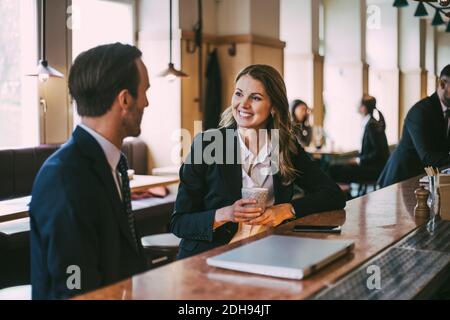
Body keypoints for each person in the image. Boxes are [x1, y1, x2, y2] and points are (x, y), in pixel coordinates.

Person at [170, 64, 346, 259]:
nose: (243, 104)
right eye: (238, 94)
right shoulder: (208, 144)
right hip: (210, 259)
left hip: (267, 254)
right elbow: (179, 222)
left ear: (273, 107)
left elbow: (333, 195)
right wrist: (226, 214)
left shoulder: (285, 147)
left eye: (255, 98)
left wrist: (287, 209)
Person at [29, 43, 150, 299]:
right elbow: (74, 287)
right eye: (144, 92)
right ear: (125, 100)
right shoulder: (64, 177)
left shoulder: (112, 162)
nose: (147, 103)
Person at [378, 65, 450, 188]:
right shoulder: (420, 111)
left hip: (422, 179)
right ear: (442, 84)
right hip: (400, 179)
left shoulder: (446, 111)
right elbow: (427, 156)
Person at [328, 95, 390, 185]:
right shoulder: (371, 123)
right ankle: (346, 195)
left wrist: (359, 160)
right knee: (336, 168)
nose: (357, 107)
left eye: (359, 105)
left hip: (373, 170)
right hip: (372, 167)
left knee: (333, 170)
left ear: (364, 108)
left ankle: (343, 196)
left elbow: (378, 153)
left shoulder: (371, 126)